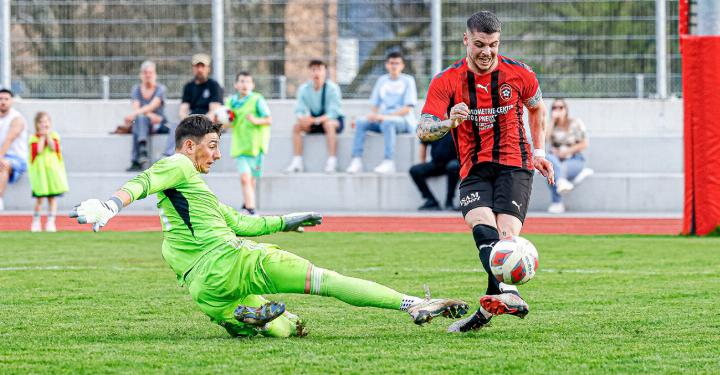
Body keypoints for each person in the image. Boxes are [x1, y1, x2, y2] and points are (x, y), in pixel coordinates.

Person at [70, 115, 468, 338]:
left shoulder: (187, 201)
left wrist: (286, 221)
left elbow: (242, 220)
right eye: (211, 145)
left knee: (287, 328)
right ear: (190, 145)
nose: (217, 154)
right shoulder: (178, 164)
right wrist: (109, 204)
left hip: (204, 288)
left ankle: (249, 320)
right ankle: (413, 303)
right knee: (325, 280)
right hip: (233, 260)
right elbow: (143, 181)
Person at [417, 11, 555, 333]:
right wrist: (448, 123)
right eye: (479, 44)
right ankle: (507, 294)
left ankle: (489, 309)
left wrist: (539, 152)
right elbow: (424, 130)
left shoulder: (520, 74)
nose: (486, 52)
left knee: (505, 236)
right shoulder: (446, 80)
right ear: (466, 40)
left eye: (493, 45)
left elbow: (537, 107)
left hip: (514, 164)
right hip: (473, 167)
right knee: (481, 225)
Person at [346, 52, 418, 174]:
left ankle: (389, 161)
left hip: (402, 121)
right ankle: (356, 159)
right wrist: (373, 115)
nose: (394, 66)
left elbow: (407, 108)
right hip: (383, 119)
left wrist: (384, 116)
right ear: (386, 65)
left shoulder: (408, 81)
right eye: (391, 63)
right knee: (361, 122)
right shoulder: (382, 80)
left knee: (387, 123)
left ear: (402, 66)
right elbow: (375, 104)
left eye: (397, 63)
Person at [224, 72, 272, 216]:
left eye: (248, 82)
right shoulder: (231, 102)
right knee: (245, 178)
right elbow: (227, 121)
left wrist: (256, 120)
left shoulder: (257, 99)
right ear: (236, 84)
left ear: (252, 85)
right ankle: (251, 211)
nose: (245, 84)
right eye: (242, 81)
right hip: (240, 147)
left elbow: (269, 119)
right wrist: (221, 120)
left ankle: (246, 204)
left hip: (256, 147)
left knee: (250, 180)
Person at [285, 60, 344, 173]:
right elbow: (299, 110)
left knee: (329, 124)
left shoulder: (333, 88)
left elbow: (333, 112)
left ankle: (332, 161)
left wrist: (316, 120)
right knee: (297, 127)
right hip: (313, 121)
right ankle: (297, 162)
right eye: (313, 70)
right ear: (309, 72)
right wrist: (303, 119)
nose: (316, 73)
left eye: (319, 69)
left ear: (325, 71)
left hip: (331, 121)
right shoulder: (304, 89)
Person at [163, 53, 224, 156]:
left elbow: (214, 111)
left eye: (202, 66)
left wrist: (198, 123)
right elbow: (183, 110)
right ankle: (168, 157)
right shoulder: (188, 87)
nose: (200, 69)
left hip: (208, 122)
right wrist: (189, 122)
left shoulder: (214, 86)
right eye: (197, 66)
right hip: (192, 121)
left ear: (208, 68)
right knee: (175, 125)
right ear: (193, 68)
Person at [545, 99, 593, 214]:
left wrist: (566, 152)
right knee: (548, 158)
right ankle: (561, 181)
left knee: (554, 170)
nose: (557, 110)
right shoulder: (551, 125)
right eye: (554, 108)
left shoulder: (575, 123)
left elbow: (585, 143)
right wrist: (552, 121)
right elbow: (545, 140)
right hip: (556, 159)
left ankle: (557, 201)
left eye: (561, 107)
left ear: (566, 110)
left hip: (574, 159)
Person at [123, 61, 168, 172]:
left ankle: (136, 160)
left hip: (158, 123)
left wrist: (135, 115)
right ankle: (142, 150)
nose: (148, 75)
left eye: (150, 72)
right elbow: (136, 108)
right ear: (141, 75)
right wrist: (144, 114)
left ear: (155, 74)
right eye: (145, 72)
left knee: (138, 121)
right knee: (139, 121)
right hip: (144, 121)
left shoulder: (161, 89)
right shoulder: (136, 89)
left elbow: (152, 106)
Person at [28, 112, 69, 232]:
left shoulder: (54, 136)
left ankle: (51, 221)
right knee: (39, 199)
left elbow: (53, 147)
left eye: (46, 122)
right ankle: (36, 221)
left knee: (52, 198)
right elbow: (39, 150)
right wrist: (42, 137)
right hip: (41, 174)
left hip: (52, 174)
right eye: (41, 122)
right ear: (36, 124)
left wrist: (47, 136)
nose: (43, 124)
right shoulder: (34, 138)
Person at [409, 134, 460, 211]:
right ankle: (431, 201)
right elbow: (423, 143)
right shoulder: (433, 126)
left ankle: (449, 201)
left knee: (453, 166)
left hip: (454, 163)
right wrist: (422, 162)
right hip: (436, 163)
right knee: (415, 170)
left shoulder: (456, 124)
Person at [0, 88, 28, 211]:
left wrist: (0, 157)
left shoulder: (17, 119)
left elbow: (9, 140)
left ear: (11, 101)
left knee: (3, 165)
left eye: (6, 99)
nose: (3, 102)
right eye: (0, 99)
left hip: (16, 159)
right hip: (1, 156)